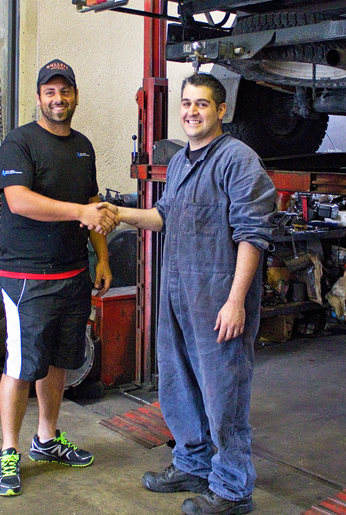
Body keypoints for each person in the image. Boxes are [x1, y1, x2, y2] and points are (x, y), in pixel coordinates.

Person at [103, 73, 277, 515]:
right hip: (178, 296)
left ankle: (234, 490)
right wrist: (118, 212)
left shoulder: (238, 160)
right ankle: (193, 463)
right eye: (186, 104)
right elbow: (164, 216)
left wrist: (236, 300)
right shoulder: (180, 162)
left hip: (219, 299)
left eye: (202, 104)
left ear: (221, 111)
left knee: (224, 393)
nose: (191, 112)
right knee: (178, 386)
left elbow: (253, 236)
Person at [0, 59, 116, 497]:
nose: (58, 99)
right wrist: (81, 212)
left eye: (65, 91)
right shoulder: (20, 142)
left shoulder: (83, 146)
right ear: (39, 97)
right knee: (21, 365)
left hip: (73, 272)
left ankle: (46, 439)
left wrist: (101, 257)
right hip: (27, 276)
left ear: (75, 96)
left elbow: (92, 201)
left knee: (61, 360)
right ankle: (8, 451)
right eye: (50, 91)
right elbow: (20, 200)